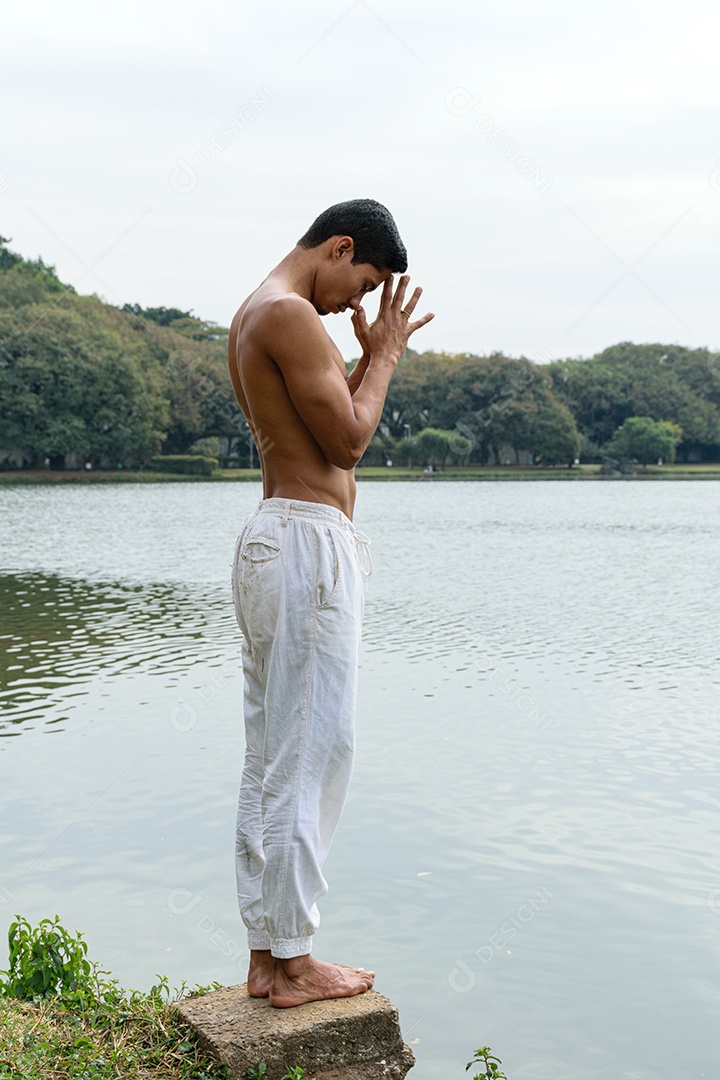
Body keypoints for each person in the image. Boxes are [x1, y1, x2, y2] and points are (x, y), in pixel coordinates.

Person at [227, 199, 434, 1008]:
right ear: (340, 246)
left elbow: (319, 432)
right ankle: (297, 961)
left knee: (274, 755)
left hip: (282, 540)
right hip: (305, 547)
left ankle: (267, 955)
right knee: (315, 752)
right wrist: (382, 358)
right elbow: (349, 442)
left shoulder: (258, 311)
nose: (357, 306)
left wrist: (359, 366)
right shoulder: (289, 312)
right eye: (363, 284)